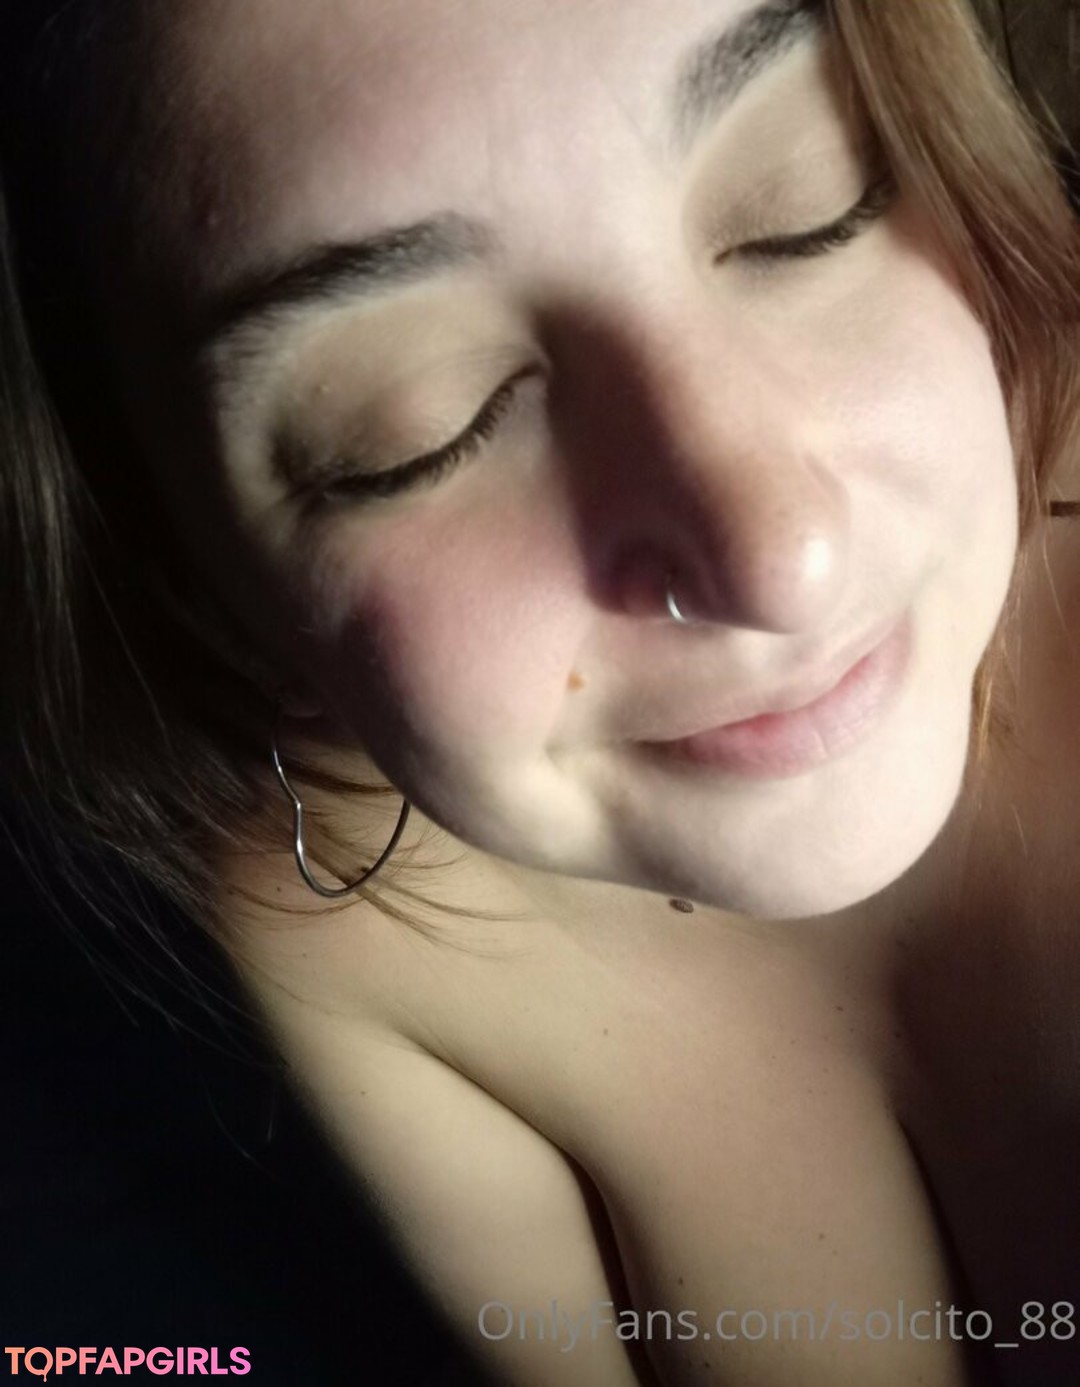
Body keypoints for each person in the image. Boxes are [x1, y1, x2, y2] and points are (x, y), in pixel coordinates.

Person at [1, 0, 1078, 1382]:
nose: (781, 559)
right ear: (206, 596)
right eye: (418, 431)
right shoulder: (351, 933)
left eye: (811, 211)